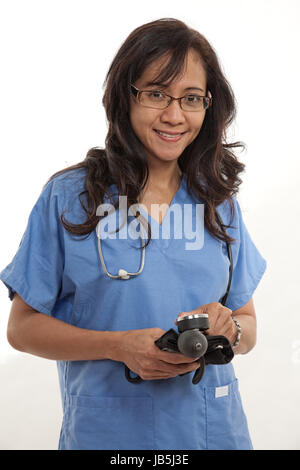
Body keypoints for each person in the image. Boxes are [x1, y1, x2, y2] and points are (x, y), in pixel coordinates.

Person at [0, 18, 266, 450]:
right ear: (124, 97)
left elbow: (248, 324)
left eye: (191, 98)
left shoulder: (218, 202)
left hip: (211, 433)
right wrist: (117, 346)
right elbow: (22, 328)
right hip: (109, 437)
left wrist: (229, 329)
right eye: (156, 93)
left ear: (208, 106)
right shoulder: (69, 197)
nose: (174, 115)